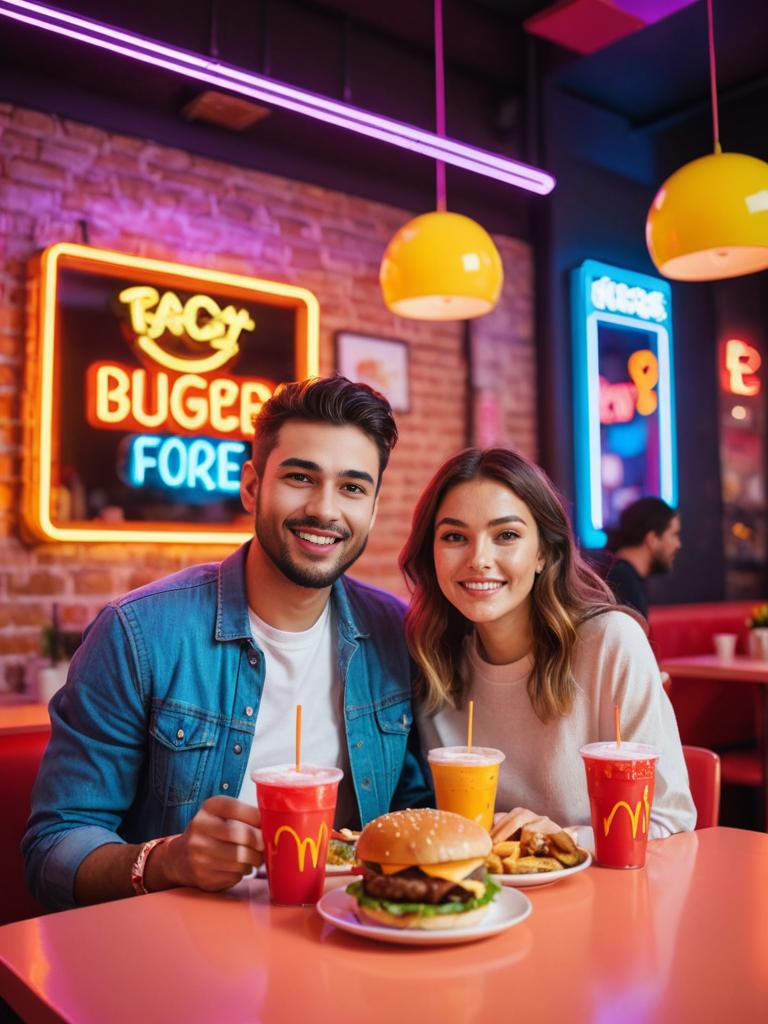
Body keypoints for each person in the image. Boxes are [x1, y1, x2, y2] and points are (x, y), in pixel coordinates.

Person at [24, 377, 431, 910]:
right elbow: (53, 847)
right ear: (251, 486)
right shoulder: (139, 633)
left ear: (373, 511)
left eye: (353, 487)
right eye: (300, 477)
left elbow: (415, 808)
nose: (325, 510)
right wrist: (167, 860)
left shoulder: (396, 635)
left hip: (346, 935)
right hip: (177, 955)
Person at [400, 448, 695, 839]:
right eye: (455, 537)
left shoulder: (610, 643)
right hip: (483, 896)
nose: (479, 559)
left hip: (602, 895)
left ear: (543, 553)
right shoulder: (430, 659)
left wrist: (557, 841)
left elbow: (669, 820)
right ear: (431, 553)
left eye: (506, 535)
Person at [605, 497, 682, 618]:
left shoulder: (625, 577)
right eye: (674, 535)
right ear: (652, 539)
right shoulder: (623, 581)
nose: (678, 545)